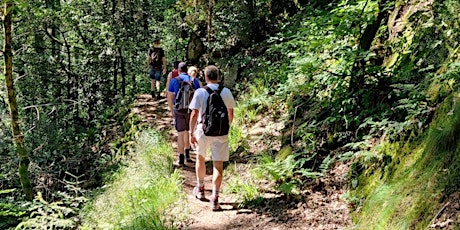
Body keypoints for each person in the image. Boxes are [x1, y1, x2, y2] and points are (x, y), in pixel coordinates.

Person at [189, 65, 236, 211]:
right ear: (218, 77)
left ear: (206, 77)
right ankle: (215, 198)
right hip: (221, 132)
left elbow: (194, 114)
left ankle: (201, 188)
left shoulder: (200, 92)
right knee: (218, 165)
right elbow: (231, 114)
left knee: (200, 158)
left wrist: (191, 133)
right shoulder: (226, 92)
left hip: (203, 130)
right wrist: (224, 127)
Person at [167, 62, 201, 166]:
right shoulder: (194, 80)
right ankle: (188, 155)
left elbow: (170, 96)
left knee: (181, 133)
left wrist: (171, 109)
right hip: (191, 110)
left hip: (179, 110)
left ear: (178, 70)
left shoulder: (174, 80)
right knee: (188, 131)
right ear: (187, 70)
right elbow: (199, 95)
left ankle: (181, 158)